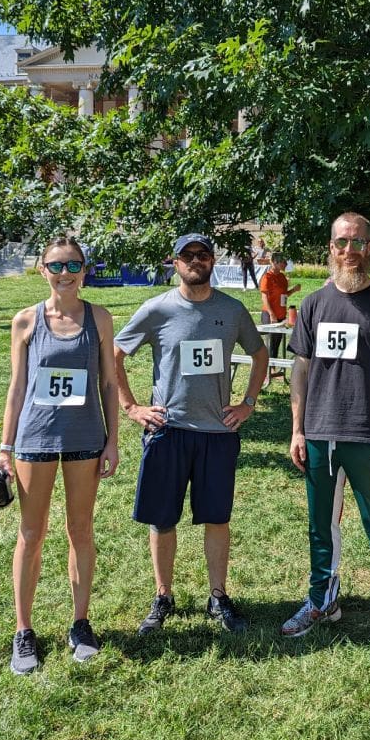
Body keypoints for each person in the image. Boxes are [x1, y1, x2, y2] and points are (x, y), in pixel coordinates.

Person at [115, 232, 268, 635]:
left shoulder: (232, 310)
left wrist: (248, 403)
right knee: (163, 520)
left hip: (217, 432)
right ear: (175, 262)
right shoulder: (157, 309)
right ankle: (163, 595)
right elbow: (115, 354)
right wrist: (131, 407)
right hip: (169, 430)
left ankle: (218, 596)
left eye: (202, 255)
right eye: (187, 255)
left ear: (212, 261)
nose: (195, 261)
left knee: (217, 519)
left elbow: (260, 354)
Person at [0, 236, 120, 674]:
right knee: (31, 533)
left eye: (73, 265)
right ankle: (24, 630)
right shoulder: (25, 321)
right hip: (35, 441)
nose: (65, 273)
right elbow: (17, 388)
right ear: (42, 270)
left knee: (80, 529)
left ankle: (80, 623)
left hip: (84, 439)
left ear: (84, 270)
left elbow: (110, 384)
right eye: (56, 265)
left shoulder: (99, 318)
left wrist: (112, 440)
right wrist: (5, 450)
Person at [282, 212, 370, 657]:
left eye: (358, 242)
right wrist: (297, 430)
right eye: (342, 242)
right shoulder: (313, 305)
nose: (350, 251)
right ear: (331, 247)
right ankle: (322, 600)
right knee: (322, 526)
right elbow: (300, 371)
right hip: (320, 436)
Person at [258, 251, 301, 364]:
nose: (286, 264)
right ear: (275, 263)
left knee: (277, 342)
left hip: (281, 314)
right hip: (270, 314)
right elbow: (264, 298)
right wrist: (272, 314)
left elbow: (284, 295)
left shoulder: (282, 277)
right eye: (283, 262)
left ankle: (274, 369)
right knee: (271, 342)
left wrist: (293, 290)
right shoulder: (267, 277)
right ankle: (267, 370)